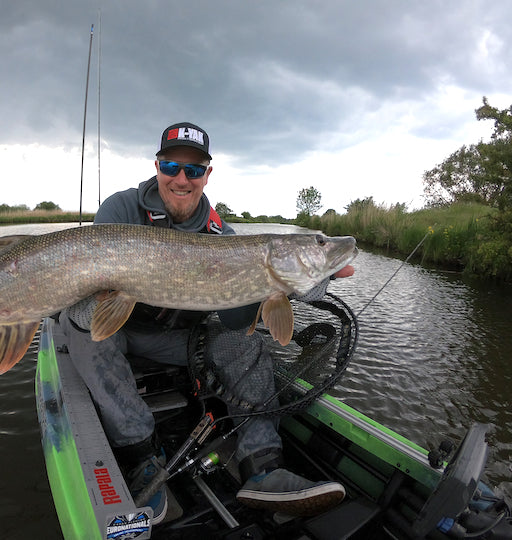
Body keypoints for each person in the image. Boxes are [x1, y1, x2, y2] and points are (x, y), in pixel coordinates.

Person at [60, 122, 351, 524]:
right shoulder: (121, 209)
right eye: (171, 166)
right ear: (157, 166)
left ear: (206, 174)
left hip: (178, 339)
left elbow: (233, 317)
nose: (182, 178)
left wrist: (295, 287)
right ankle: (142, 453)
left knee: (245, 342)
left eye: (193, 170)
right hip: (117, 332)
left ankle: (262, 465)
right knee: (77, 324)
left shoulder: (222, 234)